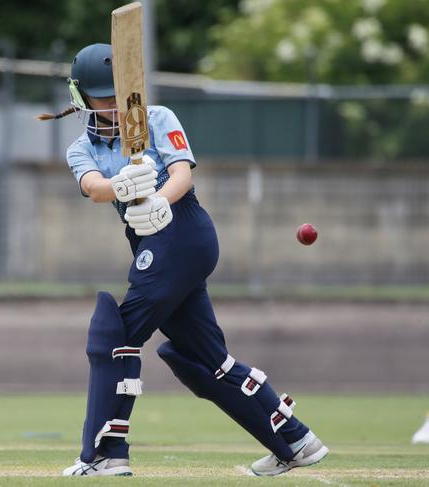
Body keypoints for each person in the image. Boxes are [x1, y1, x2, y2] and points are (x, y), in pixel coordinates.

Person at [38, 43, 329, 477]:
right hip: (148, 243)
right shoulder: (82, 149)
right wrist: (121, 186)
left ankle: (103, 453)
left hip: (183, 231)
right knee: (201, 359)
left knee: (113, 334)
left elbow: (182, 173)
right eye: (103, 98)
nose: (114, 107)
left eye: (119, 95)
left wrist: (158, 198)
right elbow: (94, 188)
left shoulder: (157, 118)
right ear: (81, 99)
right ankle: (294, 439)